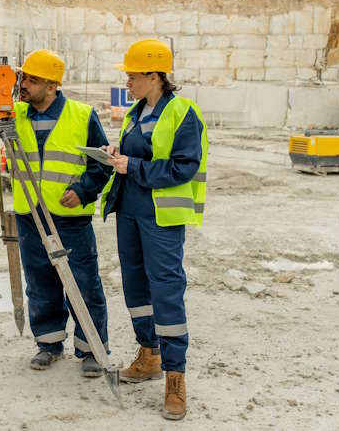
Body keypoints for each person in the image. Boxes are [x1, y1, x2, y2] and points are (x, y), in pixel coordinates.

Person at [0, 49, 112, 377]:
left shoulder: (81, 114)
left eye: (32, 80)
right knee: (40, 282)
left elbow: (102, 164)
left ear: (52, 85)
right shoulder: (13, 113)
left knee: (84, 283)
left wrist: (84, 189)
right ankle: (48, 344)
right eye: (24, 77)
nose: (25, 84)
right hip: (30, 214)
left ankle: (91, 348)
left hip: (70, 217)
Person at [100, 38, 208, 420]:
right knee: (135, 286)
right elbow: (135, 155)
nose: (127, 82)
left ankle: (174, 377)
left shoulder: (182, 113)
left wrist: (135, 167)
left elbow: (184, 166)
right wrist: (115, 157)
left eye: (132, 76)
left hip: (162, 216)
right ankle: (149, 353)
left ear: (154, 76)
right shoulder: (134, 114)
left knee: (165, 290)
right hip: (129, 211)